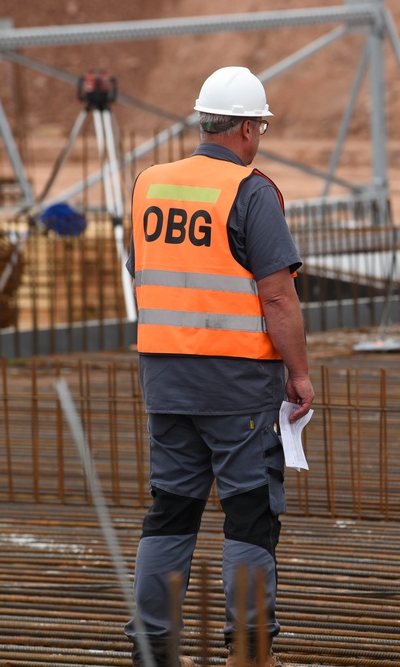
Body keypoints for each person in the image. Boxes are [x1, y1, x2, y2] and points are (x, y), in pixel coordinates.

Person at [124, 66, 314, 667]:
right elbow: (278, 296)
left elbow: (143, 268)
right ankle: (250, 651)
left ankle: (154, 646)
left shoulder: (149, 184)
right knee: (249, 514)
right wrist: (300, 373)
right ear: (250, 129)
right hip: (236, 385)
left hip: (165, 380)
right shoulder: (251, 190)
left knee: (171, 508)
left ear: (203, 121)